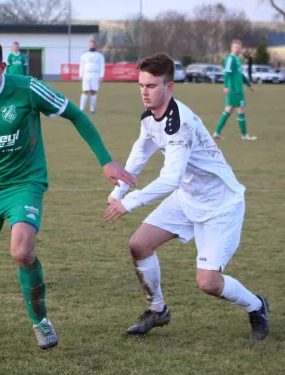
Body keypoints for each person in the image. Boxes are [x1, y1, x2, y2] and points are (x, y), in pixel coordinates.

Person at [0, 36, 134, 350]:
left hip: (25, 184)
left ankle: (40, 320)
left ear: (2, 67)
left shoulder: (29, 88)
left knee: (21, 251)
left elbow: (76, 114)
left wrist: (106, 161)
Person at [104, 52, 269, 341]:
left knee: (208, 283)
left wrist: (129, 202)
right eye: (141, 85)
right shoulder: (149, 117)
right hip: (188, 197)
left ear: (169, 87)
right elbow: (140, 153)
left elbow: (171, 178)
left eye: (152, 86)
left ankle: (257, 306)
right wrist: (118, 190)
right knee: (139, 245)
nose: (144, 91)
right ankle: (157, 310)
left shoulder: (180, 123)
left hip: (220, 206)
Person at [213, 40, 257, 141]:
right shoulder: (230, 59)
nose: (238, 49)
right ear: (232, 48)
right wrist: (225, 86)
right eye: (235, 47)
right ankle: (245, 135)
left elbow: (240, 75)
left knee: (228, 110)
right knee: (241, 110)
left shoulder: (238, 60)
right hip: (235, 90)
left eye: (239, 47)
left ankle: (217, 132)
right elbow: (227, 73)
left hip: (236, 89)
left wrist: (248, 84)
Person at [79, 40, 105, 114]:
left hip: (95, 75)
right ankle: (81, 109)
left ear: (95, 46)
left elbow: (102, 66)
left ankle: (92, 110)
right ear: (89, 46)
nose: (91, 46)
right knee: (85, 91)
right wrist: (81, 75)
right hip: (86, 75)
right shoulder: (84, 55)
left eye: (93, 45)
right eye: (90, 45)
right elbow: (82, 66)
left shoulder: (99, 56)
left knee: (93, 92)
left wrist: (101, 76)